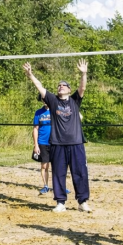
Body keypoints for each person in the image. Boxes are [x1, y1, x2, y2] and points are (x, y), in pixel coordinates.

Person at [23, 59, 91, 213]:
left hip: (76, 143)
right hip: (58, 144)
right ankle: (60, 202)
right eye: (59, 85)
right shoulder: (53, 101)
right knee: (58, 174)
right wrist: (30, 75)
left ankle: (82, 201)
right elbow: (40, 87)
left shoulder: (74, 100)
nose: (60, 86)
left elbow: (83, 87)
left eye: (63, 85)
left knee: (80, 173)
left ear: (69, 89)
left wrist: (84, 73)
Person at [32, 96, 52, 194]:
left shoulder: (55, 110)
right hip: (43, 143)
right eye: (43, 100)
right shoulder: (38, 113)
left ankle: (60, 186)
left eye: (46, 99)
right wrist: (36, 145)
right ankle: (46, 186)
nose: (45, 101)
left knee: (59, 166)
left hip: (56, 142)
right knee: (45, 166)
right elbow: (35, 129)